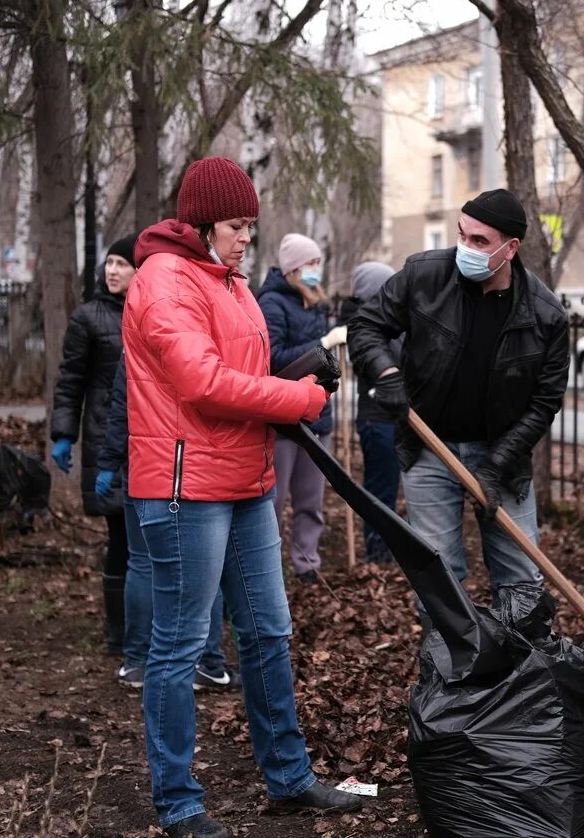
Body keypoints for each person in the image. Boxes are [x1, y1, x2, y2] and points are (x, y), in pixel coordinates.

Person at [124, 156, 363, 837]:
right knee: (177, 645)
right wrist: (298, 396)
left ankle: (288, 778)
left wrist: (302, 371)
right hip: (183, 489)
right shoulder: (164, 281)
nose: (244, 240)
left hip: (248, 483)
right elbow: (202, 382)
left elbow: (245, 371)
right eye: (235, 226)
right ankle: (179, 803)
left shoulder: (230, 284)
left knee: (266, 631)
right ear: (199, 224)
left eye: (251, 228)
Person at [347, 188, 570, 616]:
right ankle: (447, 676)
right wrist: (386, 372)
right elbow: (366, 325)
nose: (465, 248)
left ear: (511, 248)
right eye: (462, 236)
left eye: (480, 242)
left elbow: (544, 403)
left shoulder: (545, 316)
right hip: (429, 447)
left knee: (522, 581)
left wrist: (496, 464)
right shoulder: (424, 275)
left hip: (504, 458)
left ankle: (519, 676)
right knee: (438, 580)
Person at [97, 355, 237, 691]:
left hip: (147, 466)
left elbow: (123, 404)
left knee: (144, 563)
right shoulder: (209, 329)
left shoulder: (141, 329)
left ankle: (139, 663)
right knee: (207, 567)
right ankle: (205, 662)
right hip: (200, 466)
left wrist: (109, 460)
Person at [50, 236, 138, 656]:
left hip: (149, 442)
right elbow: (71, 380)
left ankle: (144, 626)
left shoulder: (151, 312)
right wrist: (64, 433)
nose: (113, 270)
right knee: (120, 534)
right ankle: (118, 633)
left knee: (143, 538)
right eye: (110, 262)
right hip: (106, 441)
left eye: (123, 263)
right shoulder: (88, 317)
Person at [258, 233, 344, 583]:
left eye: (318, 263)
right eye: (311, 263)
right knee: (273, 503)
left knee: (311, 500)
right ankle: (265, 565)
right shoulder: (272, 304)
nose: (316, 270)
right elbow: (274, 359)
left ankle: (307, 563)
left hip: (316, 418)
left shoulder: (316, 304)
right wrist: (321, 345)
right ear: (293, 268)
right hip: (282, 418)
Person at [338, 261, 401, 565]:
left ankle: (388, 548)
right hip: (377, 418)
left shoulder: (391, 318)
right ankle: (378, 552)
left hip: (393, 418)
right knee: (381, 489)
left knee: (391, 487)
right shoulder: (364, 326)